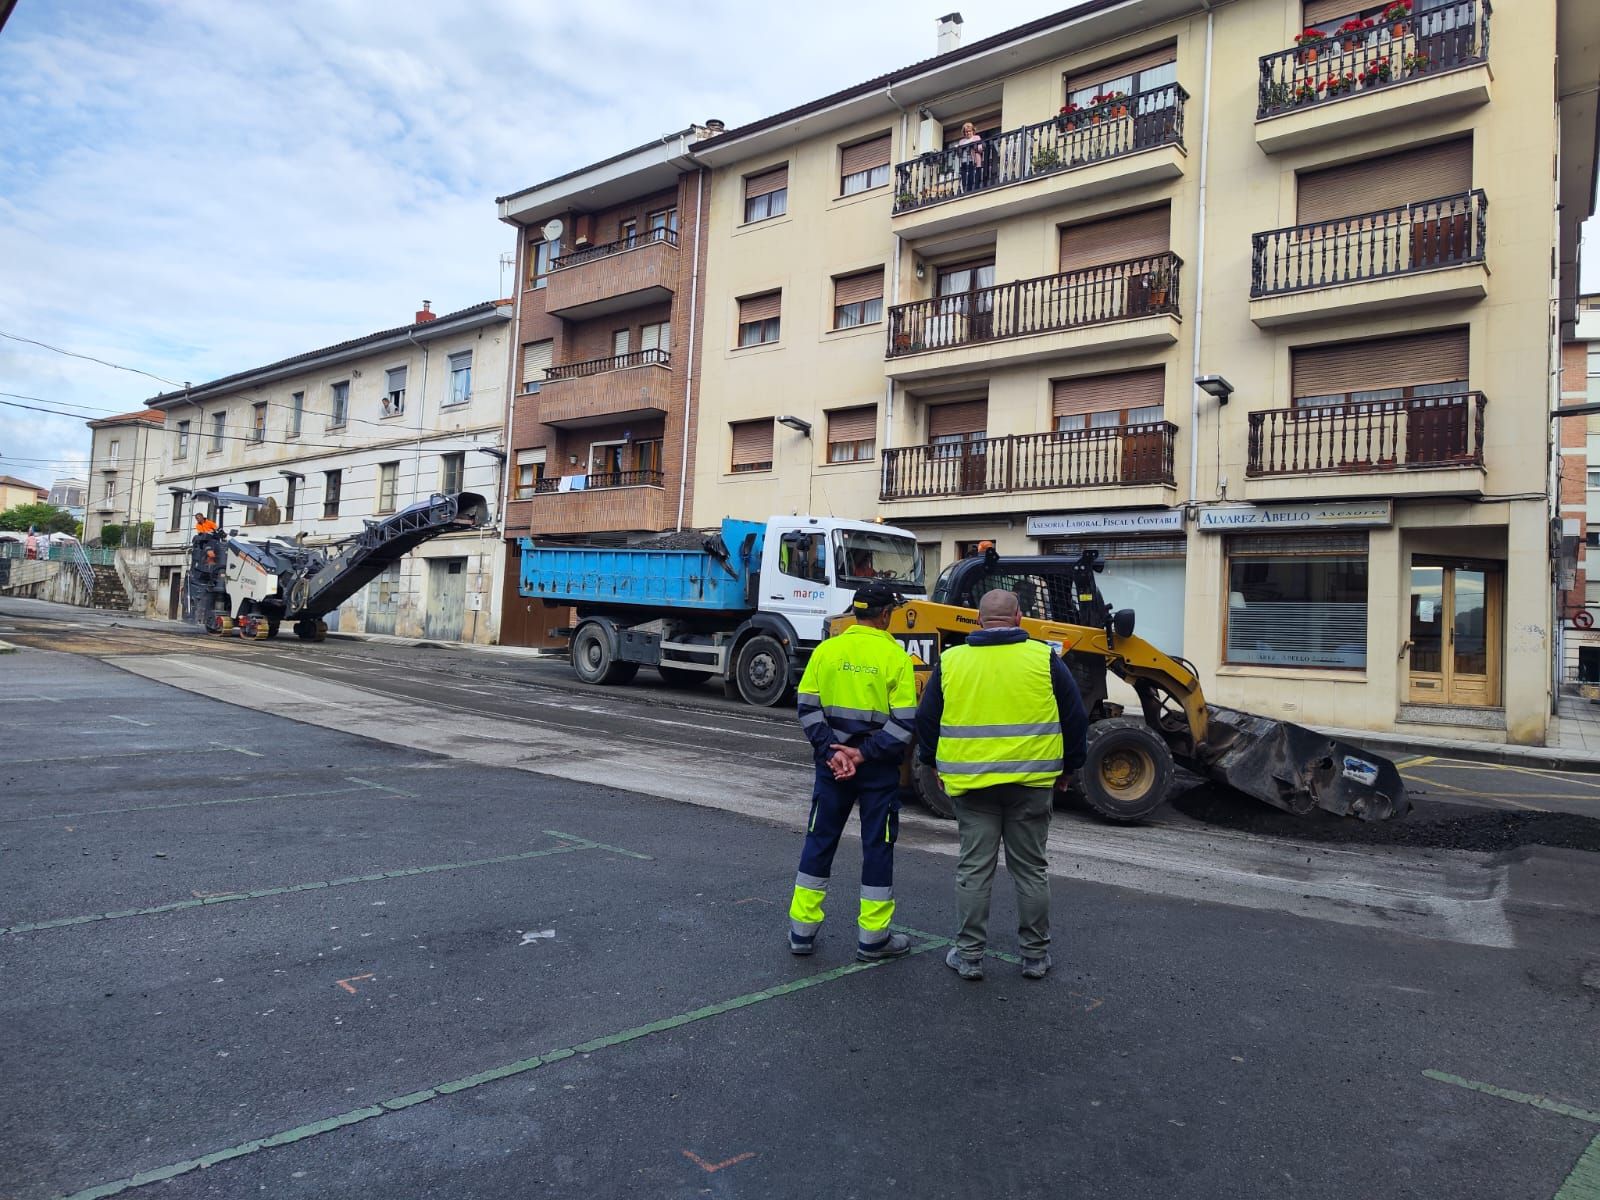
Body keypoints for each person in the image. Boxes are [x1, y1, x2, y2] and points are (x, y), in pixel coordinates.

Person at [915, 588, 1088, 982]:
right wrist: (1069, 769)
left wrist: (932, 761)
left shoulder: (952, 660)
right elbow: (1075, 717)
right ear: (1019, 618)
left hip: (972, 787)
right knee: (1030, 870)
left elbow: (927, 719)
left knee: (974, 869)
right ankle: (1035, 957)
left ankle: (970, 956)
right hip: (1031, 783)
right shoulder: (1045, 658)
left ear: (978, 620)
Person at [788, 582, 918, 962]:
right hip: (877, 772)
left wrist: (833, 752)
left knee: (819, 840)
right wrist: (862, 755)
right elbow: (904, 723)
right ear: (884, 615)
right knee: (877, 847)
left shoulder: (827, 650)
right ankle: (873, 940)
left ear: (854, 612)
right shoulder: (895, 657)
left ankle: (802, 931)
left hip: (831, 768)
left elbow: (807, 707)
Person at [955, 121, 985, 192]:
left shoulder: (976, 137)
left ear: (973, 131)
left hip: (974, 161)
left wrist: (973, 146)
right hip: (964, 161)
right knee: (965, 177)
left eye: (969, 131)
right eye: (966, 132)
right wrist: (957, 148)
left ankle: (974, 190)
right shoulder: (961, 141)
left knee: (973, 176)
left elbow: (980, 148)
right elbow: (959, 154)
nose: (968, 133)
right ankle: (966, 190)